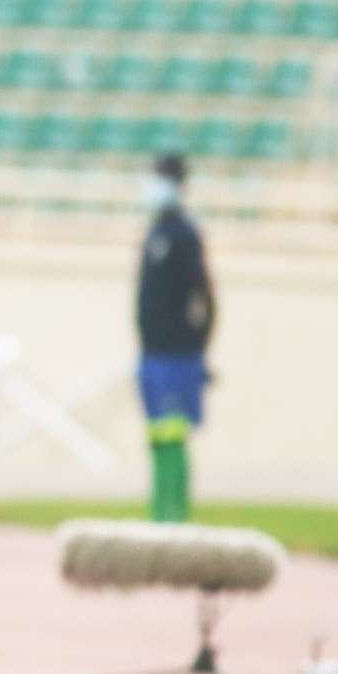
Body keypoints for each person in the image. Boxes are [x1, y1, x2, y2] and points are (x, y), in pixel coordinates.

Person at [136, 152, 214, 523]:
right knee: (156, 436)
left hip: (177, 355)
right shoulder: (154, 232)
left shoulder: (184, 235)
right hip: (151, 354)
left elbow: (207, 297)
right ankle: (158, 513)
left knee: (173, 436)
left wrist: (197, 349)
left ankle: (174, 517)